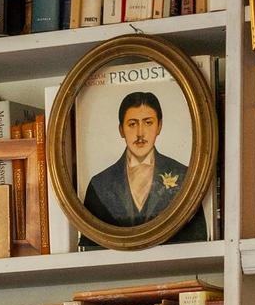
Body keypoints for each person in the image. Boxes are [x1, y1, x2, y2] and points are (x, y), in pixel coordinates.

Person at [81, 87, 205, 241]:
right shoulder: (99, 184)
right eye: (132, 124)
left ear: (159, 126)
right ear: (121, 130)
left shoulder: (184, 176)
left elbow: (198, 238)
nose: (140, 133)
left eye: (148, 123)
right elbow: (89, 247)